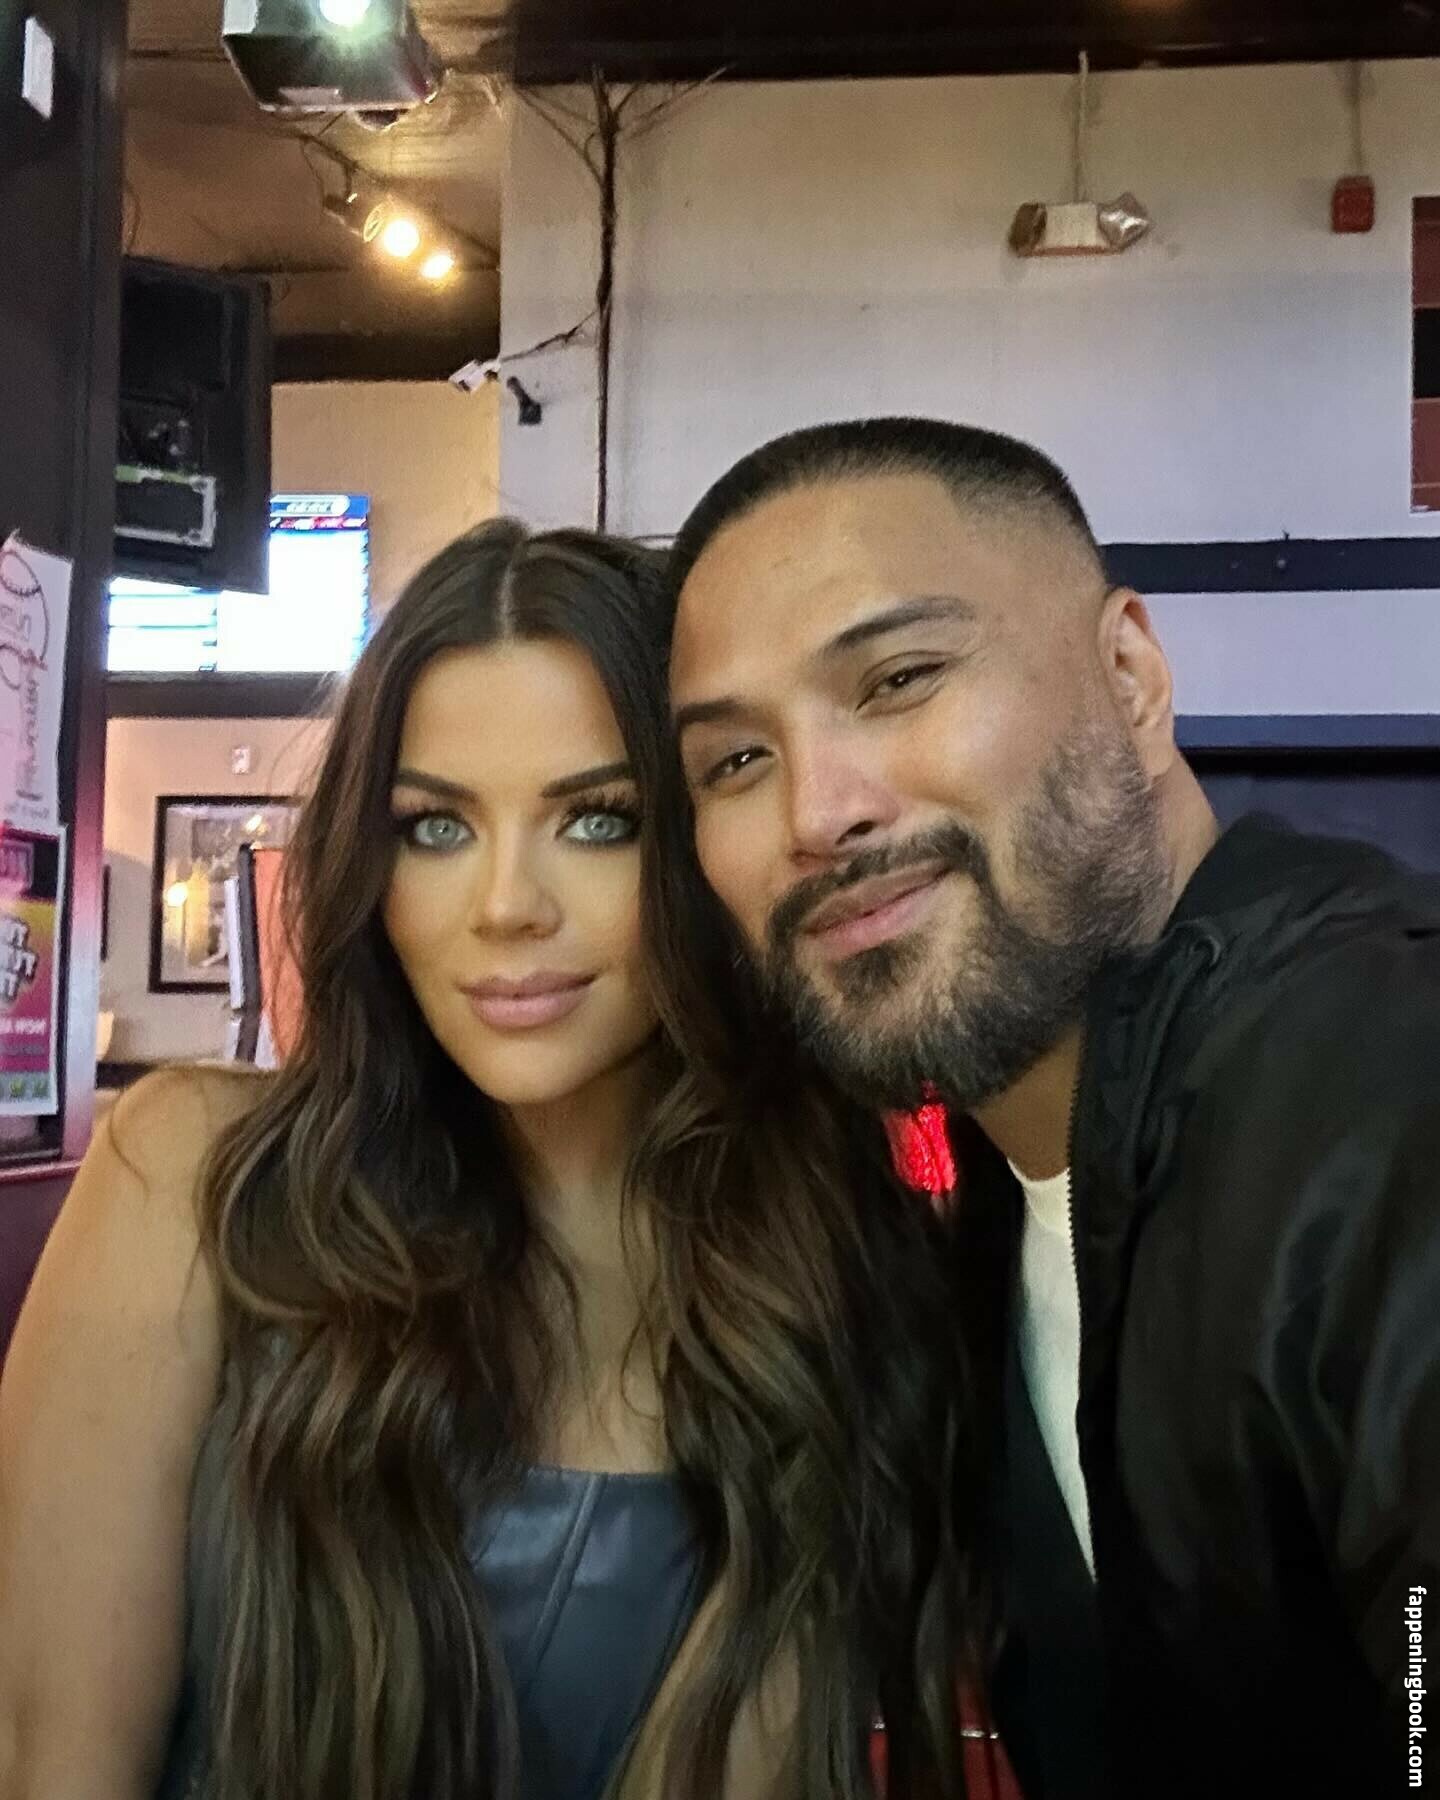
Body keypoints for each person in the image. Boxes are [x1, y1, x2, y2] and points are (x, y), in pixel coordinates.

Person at [0, 521, 966, 1800]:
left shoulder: (834, 1273)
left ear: (703, 848)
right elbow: (53, 1761)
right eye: (435, 829)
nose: (507, 905)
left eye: (600, 820)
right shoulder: (191, 1179)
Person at [658, 417, 1440, 1798]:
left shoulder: (1379, 1080)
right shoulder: (994, 1222)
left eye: (899, 679)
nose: (816, 814)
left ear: (1131, 675)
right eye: (735, 762)